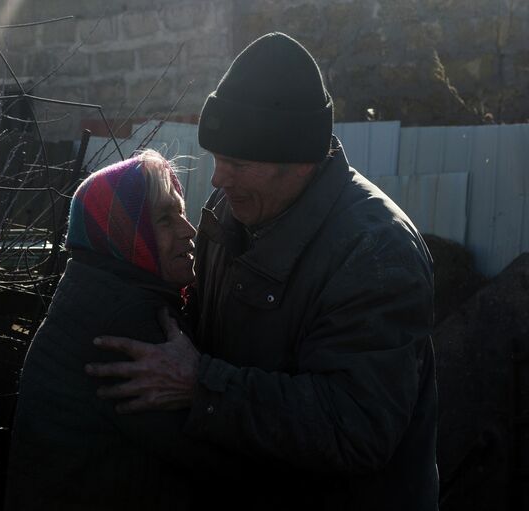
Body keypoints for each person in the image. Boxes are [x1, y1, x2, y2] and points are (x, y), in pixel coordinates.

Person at [86, 32, 439, 510]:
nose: (217, 178)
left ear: (299, 163)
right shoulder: (234, 208)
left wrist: (201, 385)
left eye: (237, 163)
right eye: (216, 157)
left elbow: (356, 428)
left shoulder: (375, 253)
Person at [4, 150, 232, 510]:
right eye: (165, 219)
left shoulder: (96, 286)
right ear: (127, 234)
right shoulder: (127, 321)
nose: (189, 231)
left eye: (182, 213)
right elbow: (208, 456)